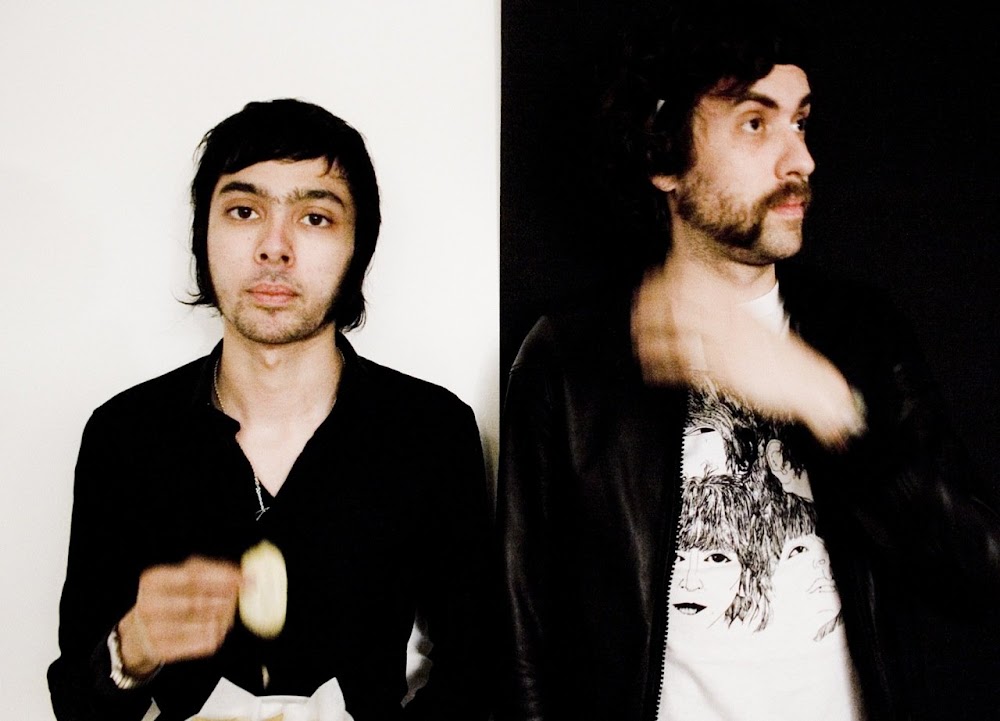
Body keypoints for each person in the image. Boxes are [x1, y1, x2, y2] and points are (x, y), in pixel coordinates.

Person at [497, 3, 1000, 720]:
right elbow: (521, 639)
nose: (801, 160)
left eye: (800, 121)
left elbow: (977, 573)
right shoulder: (568, 358)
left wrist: (828, 405)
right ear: (664, 157)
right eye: (756, 123)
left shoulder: (861, 333)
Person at [48, 99, 493, 721]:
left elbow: (476, 672)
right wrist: (134, 647)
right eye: (243, 211)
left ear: (358, 248)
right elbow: (77, 701)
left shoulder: (430, 431)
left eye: (314, 217)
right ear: (203, 235)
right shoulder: (125, 435)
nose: (274, 248)